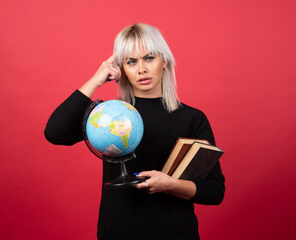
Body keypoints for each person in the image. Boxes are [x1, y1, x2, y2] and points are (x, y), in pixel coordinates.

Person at [44, 23, 225, 240]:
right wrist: (95, 80)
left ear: (164, 60)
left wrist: (171, 185)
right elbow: (55, 133)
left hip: (175, 233)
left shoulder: (192, 118)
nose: (141, 69)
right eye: (131, 62)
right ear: (121, 69)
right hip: (117, 232)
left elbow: (215, 191)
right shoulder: (109, 115)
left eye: (149, 58)